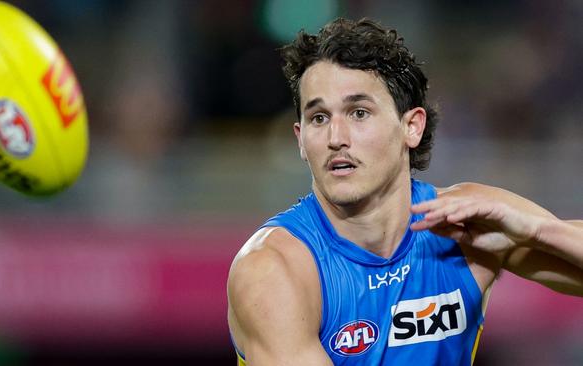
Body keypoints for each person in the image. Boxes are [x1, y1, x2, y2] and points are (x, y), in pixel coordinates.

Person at [227, 18, 583, 365]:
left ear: (411, 127)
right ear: (300, 139)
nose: (336, 138)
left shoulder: (467, 223)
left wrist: (541, 229)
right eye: (319, 118)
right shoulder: (273, 269)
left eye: (359, 112)